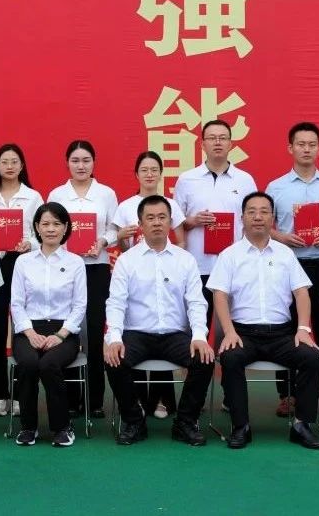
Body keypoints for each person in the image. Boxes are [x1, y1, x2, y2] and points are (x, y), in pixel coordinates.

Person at [209, 192, 319, 450]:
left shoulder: (285, 254)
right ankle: (241, 426)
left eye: (264, 211)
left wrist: (303, 329)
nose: (258, 217)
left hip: (282, 334)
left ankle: (302, 425)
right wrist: (228, 331)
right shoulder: (229, 255)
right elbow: (220, 296)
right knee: (231, 358)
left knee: (312, 358)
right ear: (242, 218)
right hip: (243, 333)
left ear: (272, 218)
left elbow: (301, 293)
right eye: (251, 211)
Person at [105, 196, 214, 446]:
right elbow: (116, 302)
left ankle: (185, 422)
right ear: (140, 224)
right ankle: (134, 421)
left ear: (170, 222)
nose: (156, 223)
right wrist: (114, 338)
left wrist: (199, 336)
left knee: (204, 359)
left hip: (174, 335)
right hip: (137, 334)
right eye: (150, 218)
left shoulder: (185, 259)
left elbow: (196, 302)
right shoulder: (127, 260)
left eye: (162, 217)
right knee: (114, 358)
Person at [265, 122, 319, 418]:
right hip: (288, 264)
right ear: (290, 148)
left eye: (312, 144)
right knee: (287, 328)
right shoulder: (276, 187)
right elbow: (265, 225)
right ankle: (287, 394)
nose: (306, 149)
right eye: (300, 144)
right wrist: (282, 237)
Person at [110, 151, 186, 420]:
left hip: (167, 270)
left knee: (165, 324)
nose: (150, 174)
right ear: (136, 174)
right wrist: (122, 237)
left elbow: (180, 239)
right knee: (140, 329)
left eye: (155, 169)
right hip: (138, 273)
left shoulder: (171, 204)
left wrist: (176, 262)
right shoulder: (125, 206)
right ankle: (139, 403)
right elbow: (120, 246)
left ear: (161, 173)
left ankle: (163, 400)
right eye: (144, 169)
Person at [47, 140, 119, 418]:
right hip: (64, 269)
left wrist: (102, 241)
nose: (81, 165)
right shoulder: (57, 194)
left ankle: (95, 399)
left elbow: (114, 229)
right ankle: (69, 397)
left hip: (96, 268)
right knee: (67, 329)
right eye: (75, 160)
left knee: (94, 330)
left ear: (94, 162)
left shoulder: (106, 193)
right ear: (67, 163)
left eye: (86, 160)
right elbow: (49, 228)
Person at [9, 202, 88, 447]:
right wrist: (29, 332)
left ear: (65, 228)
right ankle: (28, 427)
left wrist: (61, 335)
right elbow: (16, 303)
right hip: (29, 329)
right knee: (29, 363)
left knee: (49, 364)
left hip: (64, 331)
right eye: (45, 224)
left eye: (56, 224)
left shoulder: (76, 262)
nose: (51, 229)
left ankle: (62, 426)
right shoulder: (23, 262)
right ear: (36, 227)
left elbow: (79, 306)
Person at [0, 143, 43, 417]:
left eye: (15, 161)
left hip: (24, 263)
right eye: (5, 162)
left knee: (22, 328)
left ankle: (19, 395)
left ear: (22, 165)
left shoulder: (33, 197)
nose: (10, 166)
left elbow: (42, 233)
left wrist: (30, 244)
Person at [175, 120, 258, 326]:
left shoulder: (245, 180)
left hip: (236, 265)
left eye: (223, 138)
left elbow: (254, 220)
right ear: (202, 144)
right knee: (197, 324)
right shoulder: (186, 179)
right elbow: (175, 221)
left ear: (231, 144)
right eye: (212, 138)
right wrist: (193, 220)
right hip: (198, 264)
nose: (217, 142)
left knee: (235, 326)